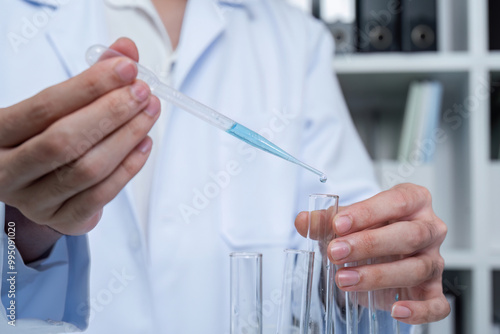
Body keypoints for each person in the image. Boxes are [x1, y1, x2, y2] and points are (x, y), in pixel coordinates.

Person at [0, 0, 449, 333]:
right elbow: (17, 290)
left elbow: (335, 250)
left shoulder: (293, 37)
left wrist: (376, 264)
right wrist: (27, 225)